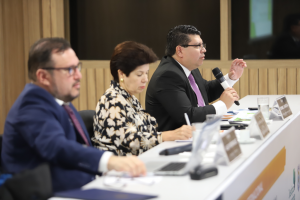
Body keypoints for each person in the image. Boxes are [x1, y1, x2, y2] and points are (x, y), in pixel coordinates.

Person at [1, 38, 146, 193]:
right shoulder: (31, 105)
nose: (78, 75)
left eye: (78, 67)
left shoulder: (61, 101)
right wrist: (109, 161)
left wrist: (107, 172)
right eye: (69, 70)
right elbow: (57, 147)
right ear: (43, 76)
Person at [92, 41, 193, 156]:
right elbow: (130, 142)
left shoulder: (129, 98)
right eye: (139, 74)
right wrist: (167, 135)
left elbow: (148, 133)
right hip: (120, 169)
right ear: (121, 74)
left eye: (146, 73)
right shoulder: (112, 101)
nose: (145, 79)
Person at [146, 25, 247, 132]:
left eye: (203, 45)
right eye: (198, 46)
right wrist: (222, 104)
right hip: (174, 142)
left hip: (198, 133)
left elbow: (205, 92)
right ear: (180, 50)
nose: (204, 50)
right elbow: (188, 116)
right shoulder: (167, 76)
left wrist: (231, 78)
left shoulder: (189, 67)